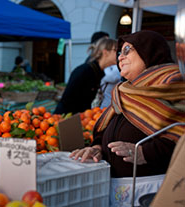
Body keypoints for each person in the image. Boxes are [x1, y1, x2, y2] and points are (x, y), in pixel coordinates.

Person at [70, 30, 185, 178]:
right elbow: (106, 130)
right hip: (117, 191)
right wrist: (98, 147)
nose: (120, 57)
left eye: (127, 50)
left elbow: (180, 137)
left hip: (152, 192)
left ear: (148, 51)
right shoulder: (123, 92)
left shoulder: (175, 87)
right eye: (119, 52)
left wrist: (146, 153)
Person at [54, 38, 117, 115]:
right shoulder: (85, 71)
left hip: (81, 119)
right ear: (105, 52)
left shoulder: (99, 72)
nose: (118, 54)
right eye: (115, 50)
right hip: (66, 119)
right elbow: (67, 100)